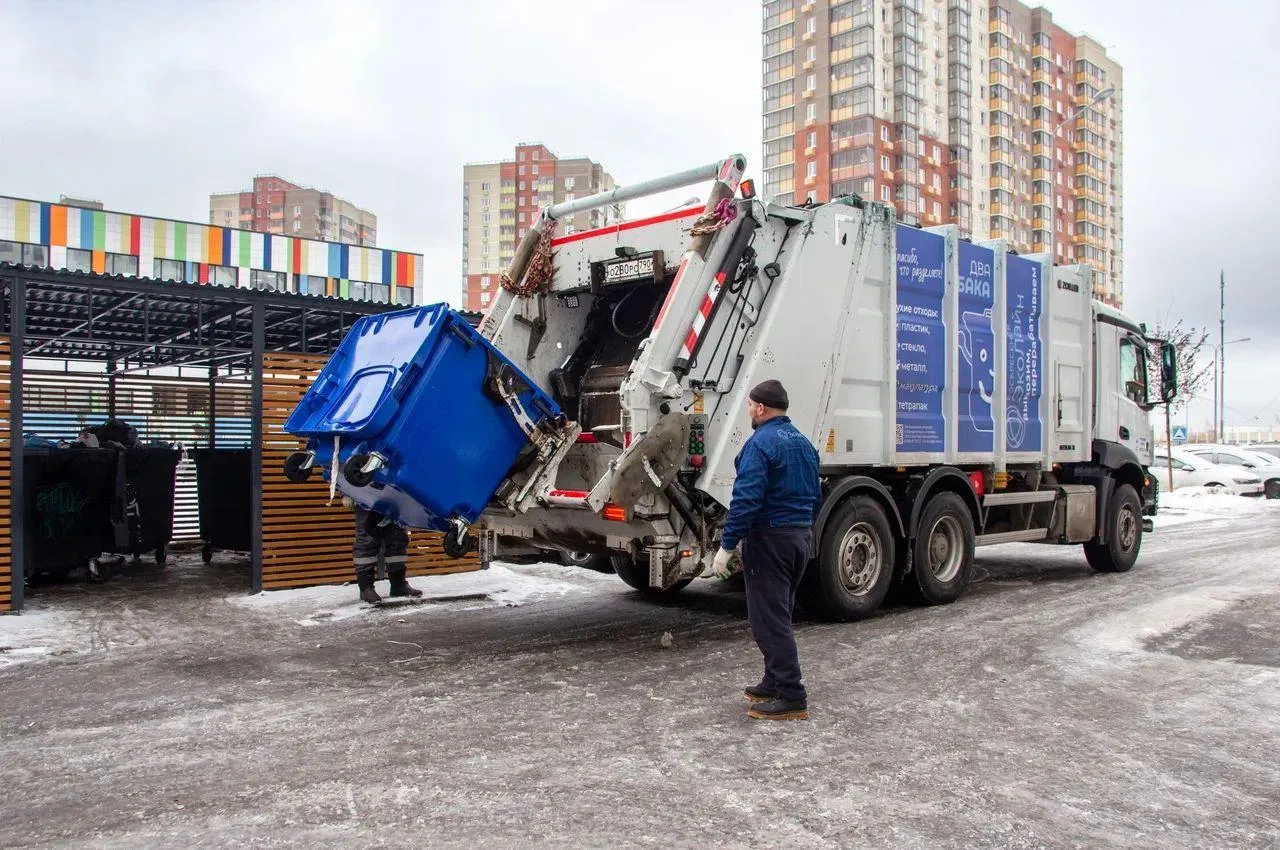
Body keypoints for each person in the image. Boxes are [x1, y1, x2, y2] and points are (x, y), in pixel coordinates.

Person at [711, 379, 821, 721]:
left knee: (768, 621)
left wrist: (727, 546)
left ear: (760, 408)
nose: (749, 412)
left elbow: (746, 500)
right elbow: (815, 496)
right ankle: (774, 680)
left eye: (750, 406)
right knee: (779, 613)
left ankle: (791, 695)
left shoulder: (760, 444)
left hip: (771, 539)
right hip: (800, 537)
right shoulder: (804, 444)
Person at [350, 503, 422, 604]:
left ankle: (398, 585)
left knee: (398, 539)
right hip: (366, 497)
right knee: (367, 540)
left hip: (395, 498)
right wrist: (346, 494)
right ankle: (365, 588)